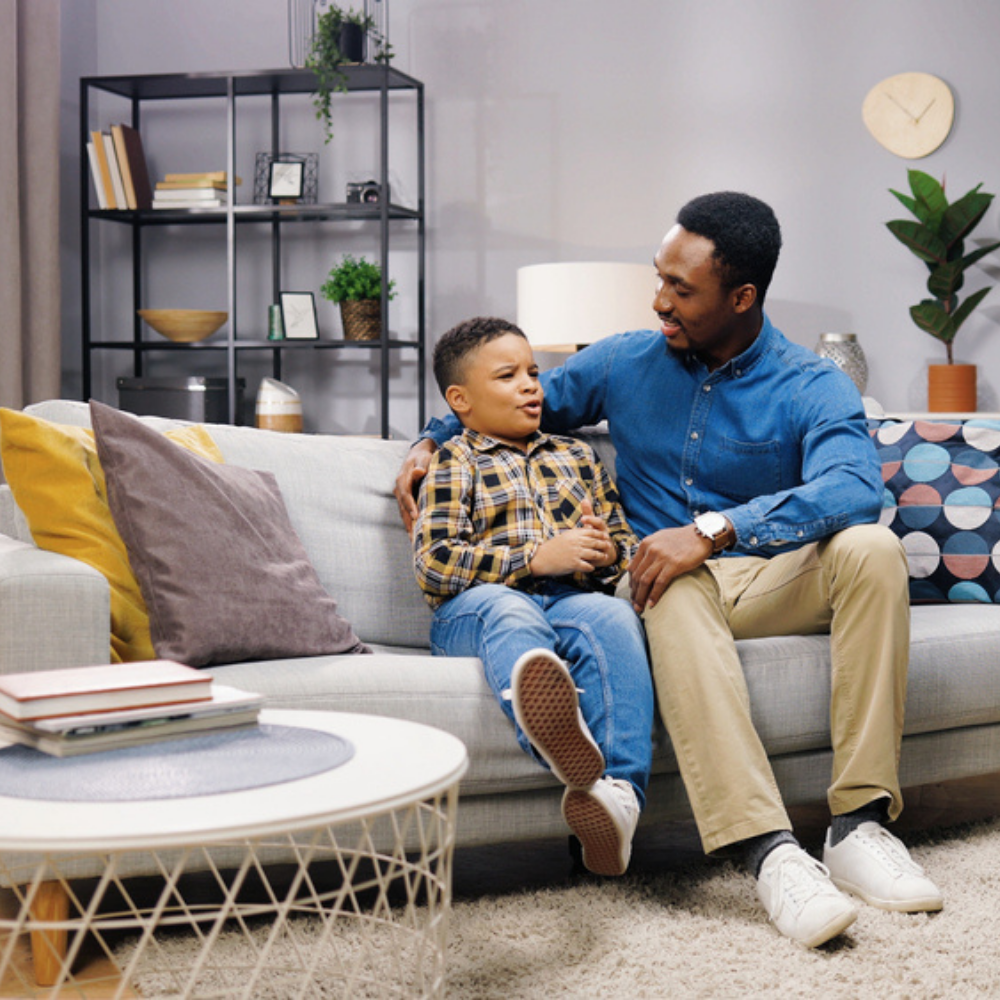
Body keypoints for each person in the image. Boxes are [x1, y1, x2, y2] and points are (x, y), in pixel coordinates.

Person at [398, 192, 943, 948]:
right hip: (662, 585)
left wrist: (716, 530)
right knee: (670, 578)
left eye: (681, 289)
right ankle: (767, 851)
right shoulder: (622, 359)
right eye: (660, 278)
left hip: (765, 576)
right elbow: (514, 401)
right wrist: (428, 442)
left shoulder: (811, 383)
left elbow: (853, 487)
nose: (660, 301)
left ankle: (858, 826)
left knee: (871, 548)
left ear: (742, 296)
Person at [412, 316, 654, 877]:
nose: (531, 386)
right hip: (475, 607)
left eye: (534, 373)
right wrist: (533, 558)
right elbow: (434, 565)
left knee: (614, 616)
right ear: (460, 401)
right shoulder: (456, 460)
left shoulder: (576, 455)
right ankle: (551, 731)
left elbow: (622, 541)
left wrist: (605, 554)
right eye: (508, 376)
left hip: (570, 599)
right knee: (509, 607)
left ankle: (616, 796)